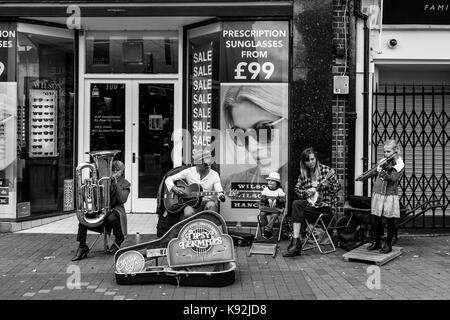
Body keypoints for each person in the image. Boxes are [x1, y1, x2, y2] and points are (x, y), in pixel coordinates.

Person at [221, 84, 288, 191]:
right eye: (240, 135)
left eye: (264, 130)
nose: (252, 148)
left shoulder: (318, 179)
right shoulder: (232, 185)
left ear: (289, 122)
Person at [282, 148, 341, 257]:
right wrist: (306, 192)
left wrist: (328, 185)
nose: (311, 162)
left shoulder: (326, 171)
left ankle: (296, 243)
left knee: (298, 212)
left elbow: (337, 188)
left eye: (312, 159)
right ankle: (296, 240)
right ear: (304, 162)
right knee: (296, 204)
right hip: (311, 205)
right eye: (307, 161)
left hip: (325, 207)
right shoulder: (304, 173)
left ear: (316, 158)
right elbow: (297, 189)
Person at [72, 160, 130, 261]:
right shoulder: (102, 181)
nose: (114, 172)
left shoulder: (125, 183)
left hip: (115, 210)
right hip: (102, 211)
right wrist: (89, 189)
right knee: (83, 220)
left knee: (112, 217)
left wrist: (115, 183)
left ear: (122, 171)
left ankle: (119, 238)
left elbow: (122, 199)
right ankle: (82, 247)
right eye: (112, 170)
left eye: (117, 170)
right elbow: (92, 199)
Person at [356, 140, 404, 254]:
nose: (386, 154)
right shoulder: (383, 161)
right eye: (385, 151)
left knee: (390, 219)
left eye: (388, 151)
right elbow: (373, 172)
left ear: (395, 151)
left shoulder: (399, 164)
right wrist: (363, 177)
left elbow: (393, 179)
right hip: (377, 192)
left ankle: (388, 244)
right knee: (376, 218)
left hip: (389, 195)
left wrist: (386, 174)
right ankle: (377, 242)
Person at [164, 151, 226, 219]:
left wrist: (221, 196)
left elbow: (219, 190)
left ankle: (208, 228)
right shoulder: (189, 172)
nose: (208, 167)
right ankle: (191, 229)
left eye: (209, 164)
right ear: (197, 163)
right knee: (188, 212)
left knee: (212, 205)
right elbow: (168, 179)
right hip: (191, 204)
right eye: (205, 164)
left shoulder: (214, 174)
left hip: (207, 203)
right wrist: (174, 188)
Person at [258, 171, 286, 240]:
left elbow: (283, 200)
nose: (270, 182)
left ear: (277, 183)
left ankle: (266, 229)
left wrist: (277, 200)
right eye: (269, 180)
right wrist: (268, 199)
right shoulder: (265, 189)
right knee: (262, 214)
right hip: (266, 208)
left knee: (274, 215)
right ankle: (268, 231)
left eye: (273, 181)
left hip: (275, 210)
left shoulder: (280, 190)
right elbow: (261, 198)